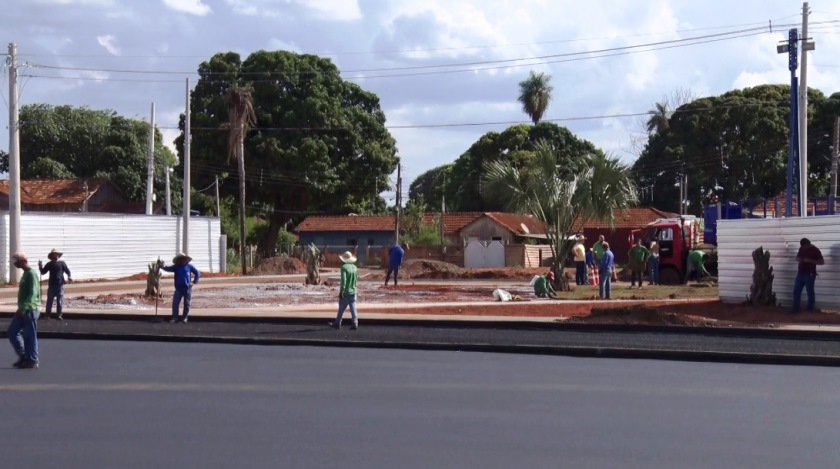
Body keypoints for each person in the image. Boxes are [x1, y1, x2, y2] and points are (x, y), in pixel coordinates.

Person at [8, 252, 41, 369]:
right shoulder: (25, 274)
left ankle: (32, 359)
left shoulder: (31, 274)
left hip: (30, 309)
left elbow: (33, 293)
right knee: (12, 332)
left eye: (16, 260)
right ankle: (24, 356)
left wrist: (24, 307)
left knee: (30, 335)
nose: (14, 263)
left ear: (22, 261)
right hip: (22, 309)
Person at [161, 252, 200, 323]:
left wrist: (194, 282)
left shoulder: (189, 266)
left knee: (187, 303)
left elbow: (197, 273)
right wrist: (162, 267)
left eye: (183, 258)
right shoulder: (176, 267)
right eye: (180, 259)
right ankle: (175, 317)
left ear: (185, 259)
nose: (182, 260)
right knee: (175, 303)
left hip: (187, 288)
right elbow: (168, 268)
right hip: (178, 288)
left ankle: (185, 317)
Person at [38, 248, 72, 320]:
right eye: (54, 254)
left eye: (57, 254)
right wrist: (40, 267)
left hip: (60, 284)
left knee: (60, 300)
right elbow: (43, 272)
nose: (56, 256)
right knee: (50, 300)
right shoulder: (49, 264)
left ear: (59, 255)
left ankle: (59, 314)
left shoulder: (62, 263)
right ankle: (47, 314)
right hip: (52, 285)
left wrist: (69, 276)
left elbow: (67, 271)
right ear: (52, 255)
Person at [792, 238, 824, 314]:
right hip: (800, 272)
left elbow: (822, 262)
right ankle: (795, 309)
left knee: (809, 291)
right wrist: (798, 259)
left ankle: (810, 309)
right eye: (802, 247)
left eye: (805, 247)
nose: (804, 248)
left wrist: (810, 261)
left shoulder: (815, 250)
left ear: (808, 244)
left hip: (810, 273)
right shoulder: (801, 248)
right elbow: (797, 257)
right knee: (796, 290)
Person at [329, 251, 359, 330]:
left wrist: (341, 291)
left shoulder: (344, 267)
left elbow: (344, 280)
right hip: (354, 291)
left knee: (341, 309)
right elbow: (356, 280)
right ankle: (355, 323)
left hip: (346, 292)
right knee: (353, 308)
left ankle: (338, 323)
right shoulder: (355, 268)